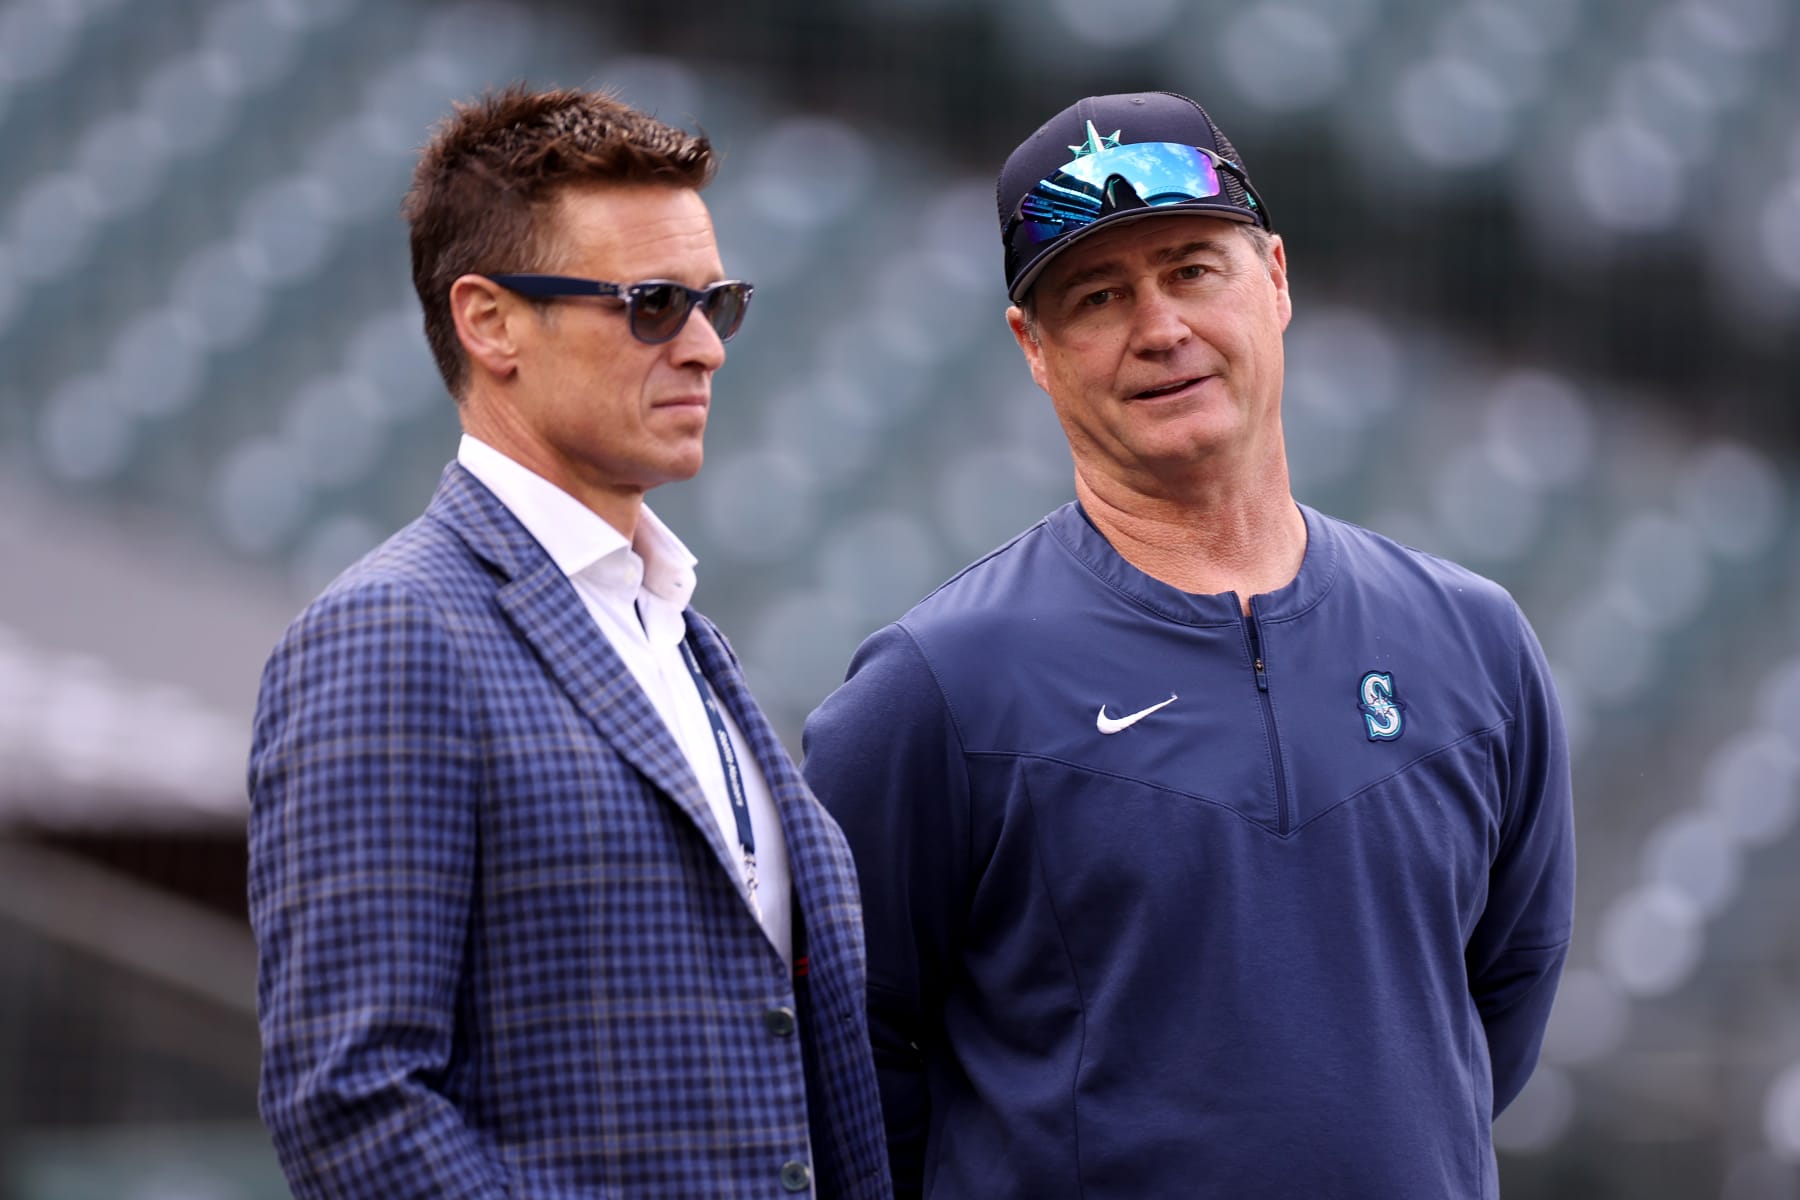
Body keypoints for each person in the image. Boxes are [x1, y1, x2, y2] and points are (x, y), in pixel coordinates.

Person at [801, 90, 1575, 1199]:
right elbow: (840, 1065)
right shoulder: (937, 688)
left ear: (1277, 280)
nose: (1159, 327)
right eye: (1099, 295)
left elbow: (1494, 1008)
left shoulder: (1474, 642)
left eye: (1192, 270)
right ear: (1034, 347)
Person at [247, 86, 890, 1199]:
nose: (704, 350)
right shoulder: (391, 634)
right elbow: (351, 1105)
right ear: (488, 321)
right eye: (651, 305)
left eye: (716, 303)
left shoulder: (683, 635)